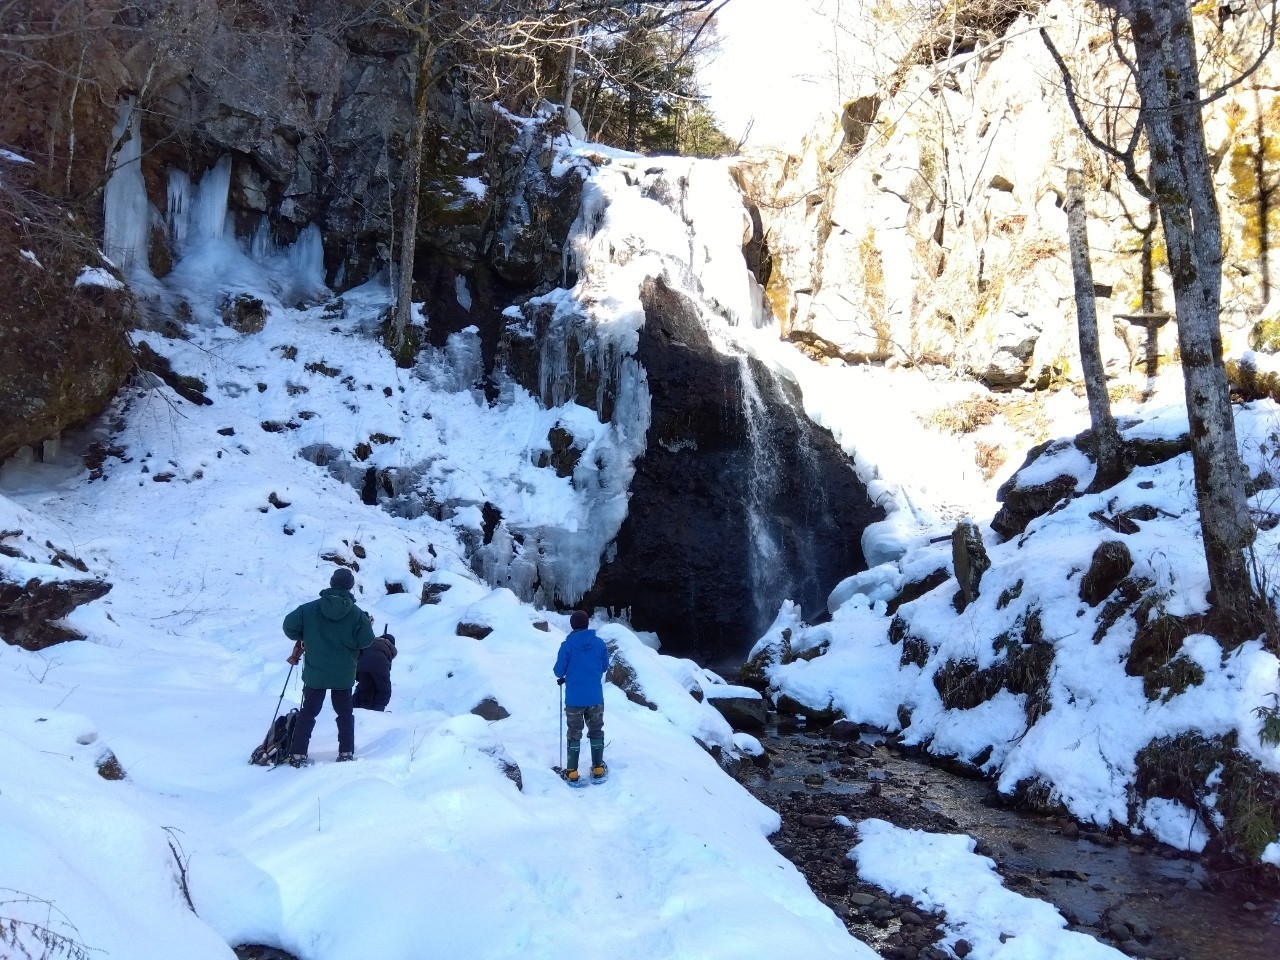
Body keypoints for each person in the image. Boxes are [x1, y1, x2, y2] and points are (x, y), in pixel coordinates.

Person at [283, 567, 375, 766]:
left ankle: (297, 753)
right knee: (344, 713)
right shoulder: (357, 615)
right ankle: (346, 752)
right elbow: (366, 641)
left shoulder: (309, 609)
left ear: (332, 583)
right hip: (343, 675)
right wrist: (367, 625)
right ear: (350, 586)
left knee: (308, 712)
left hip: (315, 673)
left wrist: (305, 636)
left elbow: (289, 626)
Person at [553, 610, 611, 784]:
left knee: (574, 733)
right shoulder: (599, 644)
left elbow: (558, 671)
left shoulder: (567, 646)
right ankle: (598, 767)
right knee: (596, 730)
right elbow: (604, 666)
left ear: (572, 626)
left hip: (574, 700)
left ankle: (571, 772)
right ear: (587, 624)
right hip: (595, 697)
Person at [352, 629, 397, 711]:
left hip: (359, 666)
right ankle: (378, 711)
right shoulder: (389, 648)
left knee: (364, 686)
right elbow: (386, 667)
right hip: (379, 667)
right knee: (384, 689)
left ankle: (358, 707)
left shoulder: (371, 642)